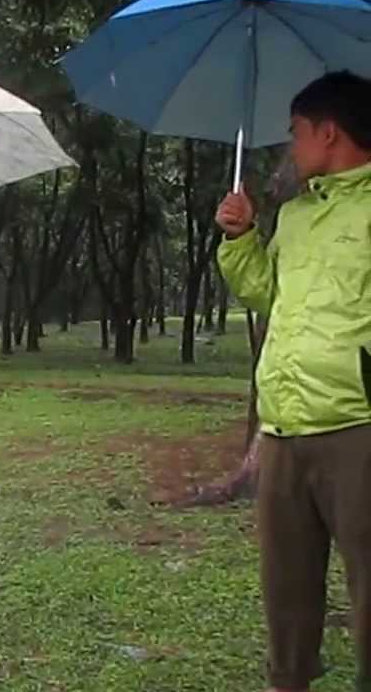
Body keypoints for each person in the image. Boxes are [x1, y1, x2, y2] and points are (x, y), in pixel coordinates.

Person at [216, 71, 371, 692]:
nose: (292, 147)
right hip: (283, 429)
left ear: (328, 131)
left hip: (356, 427)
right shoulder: (298, 217)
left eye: (296, 133)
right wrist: (241, 236)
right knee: (287, 596)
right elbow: (265, 292)